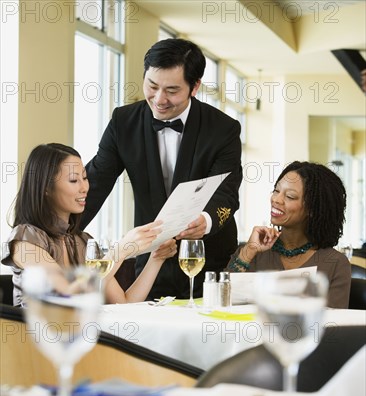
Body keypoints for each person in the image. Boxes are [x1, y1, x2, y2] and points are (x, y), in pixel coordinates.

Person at [82, 38, 243, 300]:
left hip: (208, 263)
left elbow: (227, 193)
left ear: (195, 87)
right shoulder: (123, 122)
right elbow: (95, 182)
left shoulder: (223, 129)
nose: (159, 99)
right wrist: (56, 234)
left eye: (171, 90)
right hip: (151, 263)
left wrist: (206, 221)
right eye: (152, 86)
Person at [1, 143, 176, 306]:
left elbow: (124, 303)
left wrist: (156, 258)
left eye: (85, 178)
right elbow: (68, 295)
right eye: (73, 180)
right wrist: (120, 250)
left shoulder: (83, 241)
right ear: (46, 187)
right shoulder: (24, 240)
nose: (84, 187)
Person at [226, 161, 351, 308]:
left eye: (290, 196)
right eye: (276, 191)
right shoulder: (254, 251)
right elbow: (221, 300)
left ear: (313, 209)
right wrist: (248, 251)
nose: (276, 199)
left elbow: (334, 325)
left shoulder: (336, 263)